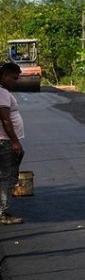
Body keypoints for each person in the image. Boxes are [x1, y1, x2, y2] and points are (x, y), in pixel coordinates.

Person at [0, 61, 26, 226]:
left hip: (5, 141)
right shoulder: (2, 93)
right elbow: (5, 120)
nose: (15, 82)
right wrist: (15, 142)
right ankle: (3, 213)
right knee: (7, 177)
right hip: (5, 142)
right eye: (14, 78)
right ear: (5, 76)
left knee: (6, 176)